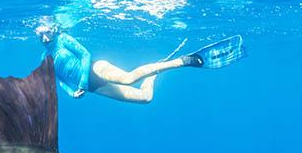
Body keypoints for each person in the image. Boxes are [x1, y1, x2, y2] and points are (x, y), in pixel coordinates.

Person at [35, 24, 246, 103]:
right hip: (93, 87)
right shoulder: (44, 59)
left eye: (47, 32)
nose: (45, 38)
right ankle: (153, 73)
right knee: (145, 98)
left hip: (95, 69)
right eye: (40, 35)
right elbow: (57, 80)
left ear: (53, 29)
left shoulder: (64, 40)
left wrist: (80, 82)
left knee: (129, 78)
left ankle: (182, 62)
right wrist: (72, 93)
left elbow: (85, 55)